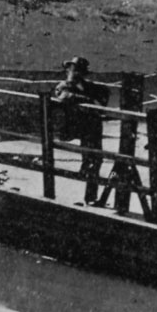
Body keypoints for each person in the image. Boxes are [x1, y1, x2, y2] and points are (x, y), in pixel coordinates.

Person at [53, 56, 111, 204]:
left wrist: (90, 99)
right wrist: (88, 100)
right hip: (72, 127)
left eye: (78, 70)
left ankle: (90, 196)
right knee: (90, 159)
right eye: (72, 69)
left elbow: (103, 97)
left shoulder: (89, 86)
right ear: (68, 70)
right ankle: (83, 183)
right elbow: (64, 96)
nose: (74, 72)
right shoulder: (64, 85)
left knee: (95, 159)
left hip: (90, 128)